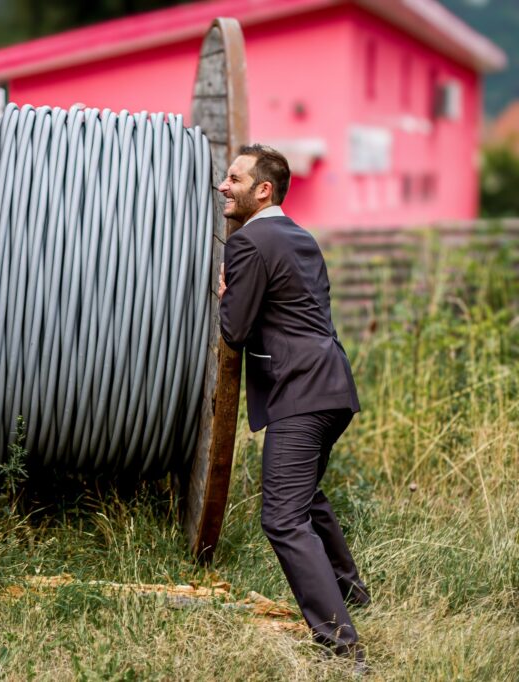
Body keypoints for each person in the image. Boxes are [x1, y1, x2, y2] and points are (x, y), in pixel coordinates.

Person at [217, 145, 370, 664]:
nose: (223, 185)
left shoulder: (249, 243)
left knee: (282, 518)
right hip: (333, 388)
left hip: (300, 394)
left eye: (234, 178)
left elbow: (235, 331)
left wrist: (227, 296)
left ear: (264, 189)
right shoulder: (301, 238)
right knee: (304, 497)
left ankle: (341, 646)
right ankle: (351, 592)